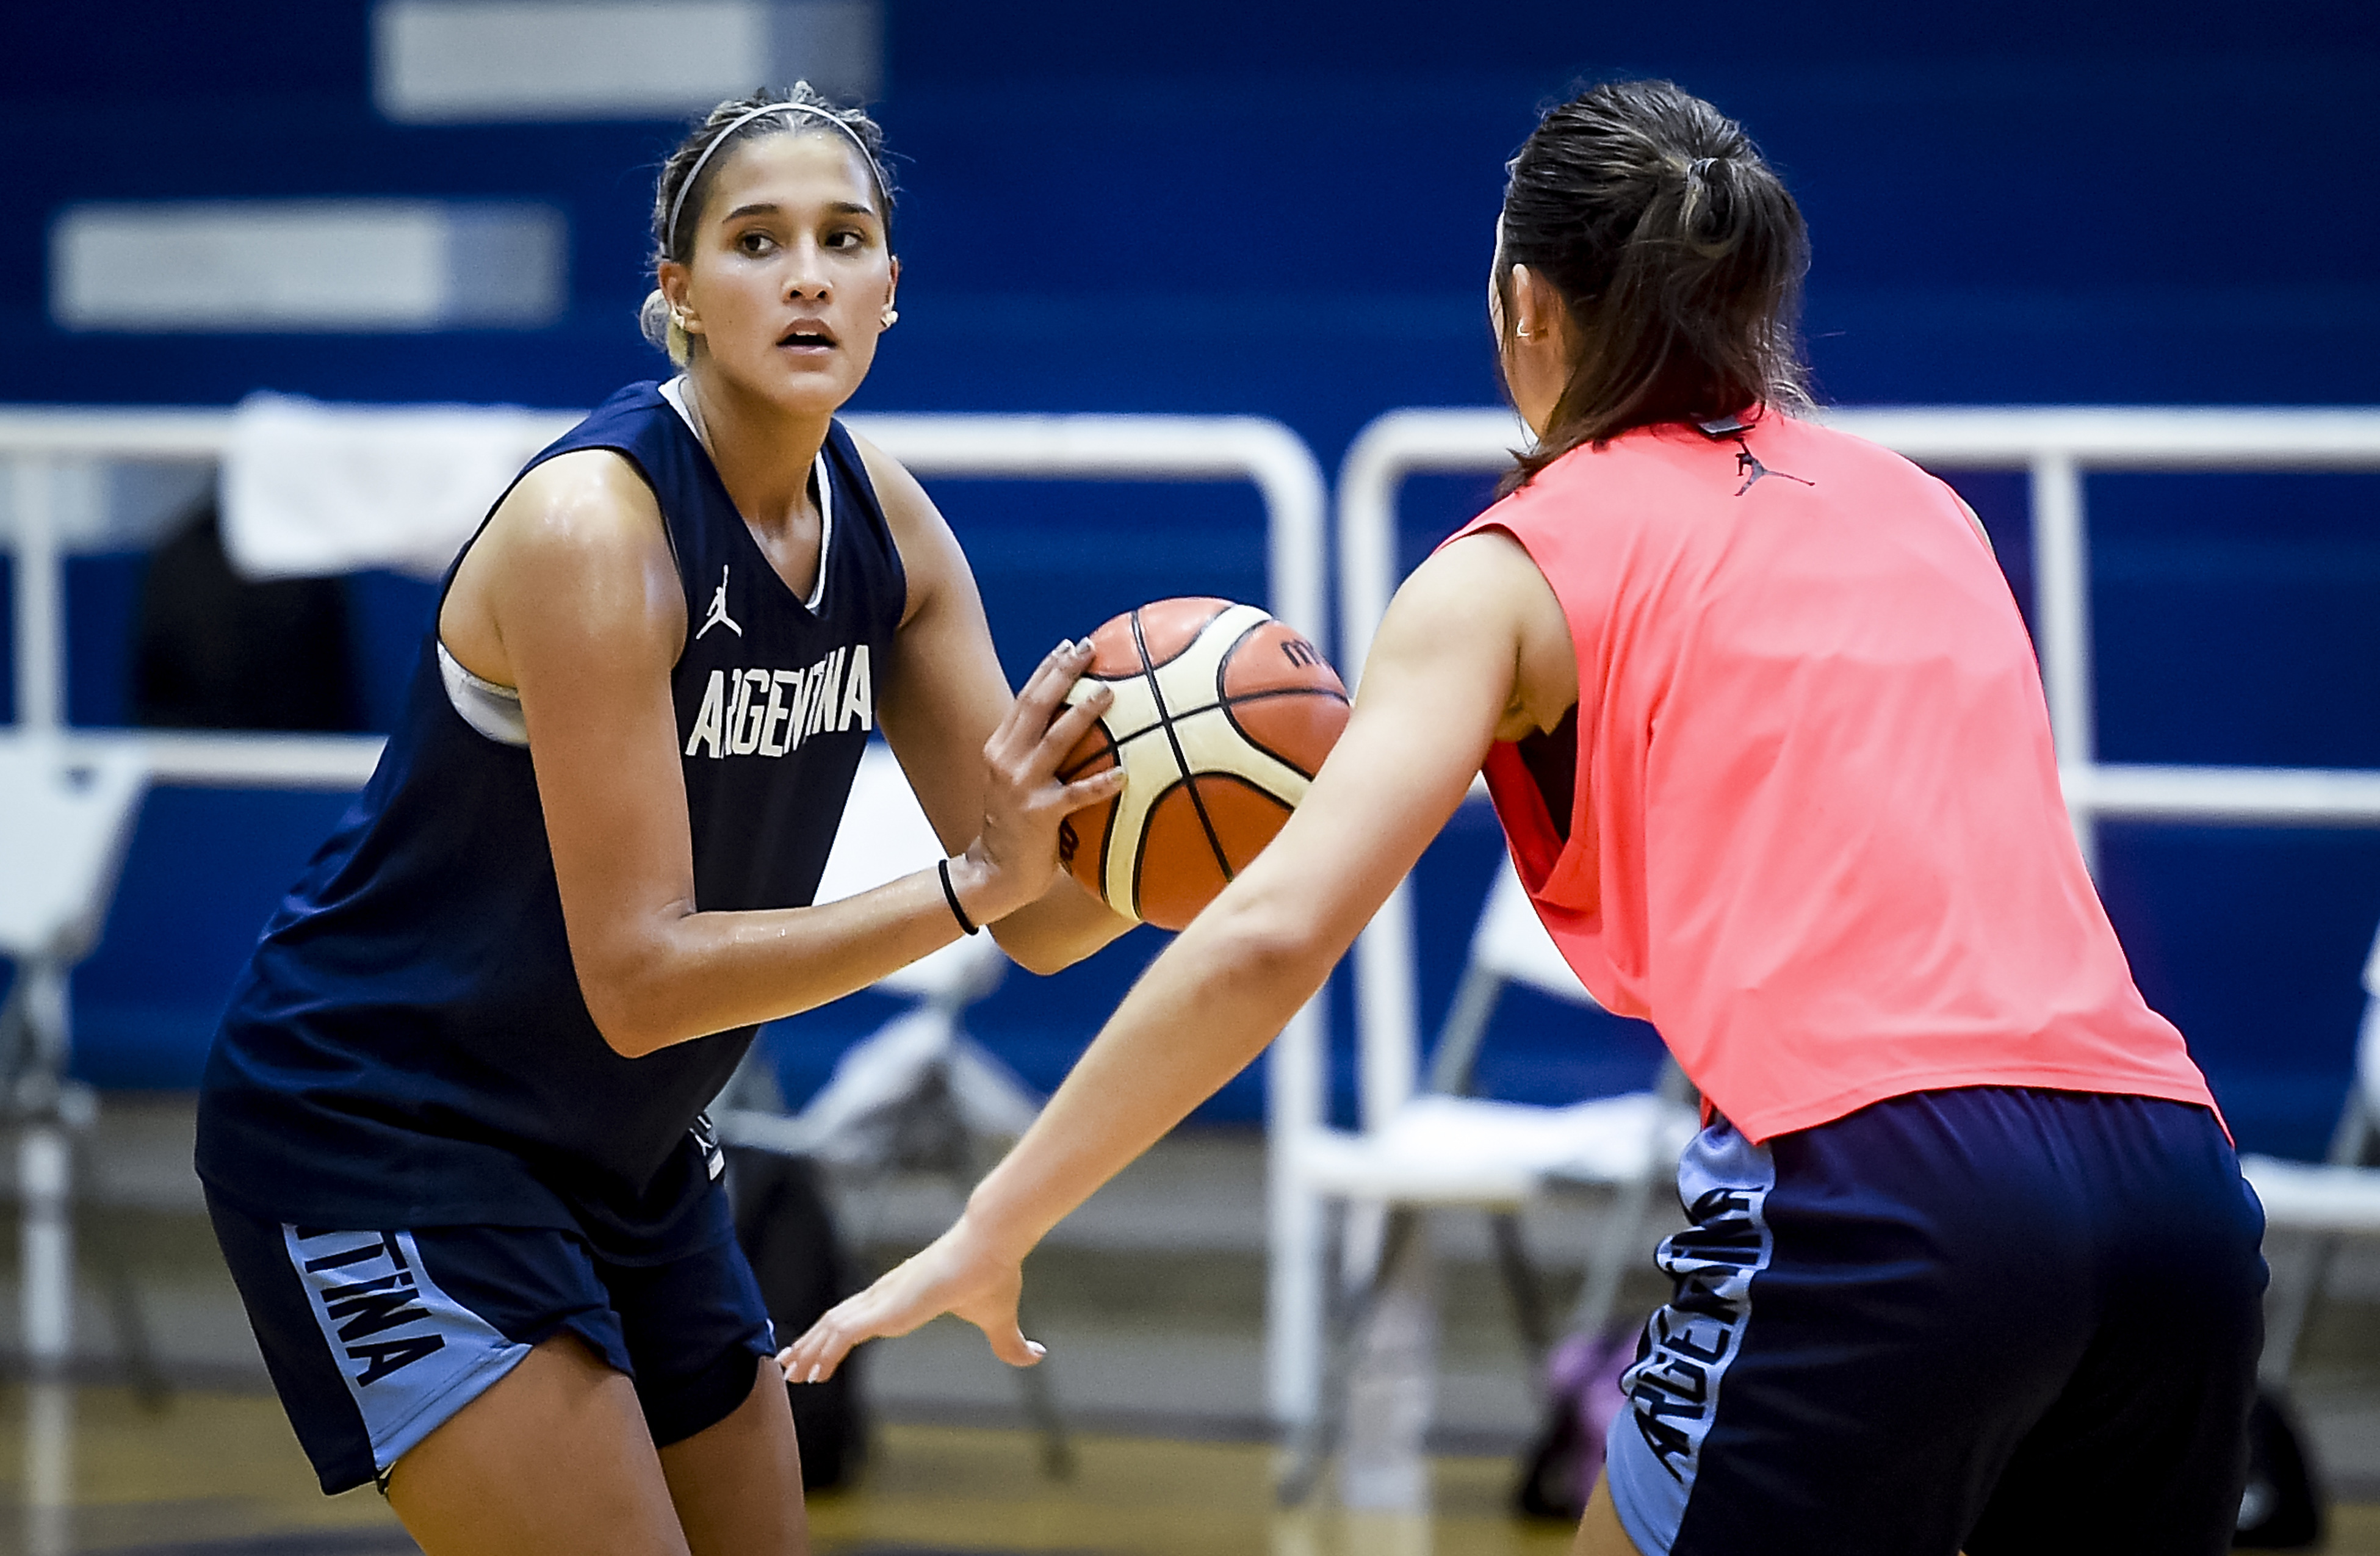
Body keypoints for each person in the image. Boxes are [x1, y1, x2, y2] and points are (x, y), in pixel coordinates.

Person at [781, 80, 2267, 1556]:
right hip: (2177, 1193)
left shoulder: (1503, 575)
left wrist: (998, 1222)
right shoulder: (1928, 511)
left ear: (1523, 306)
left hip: (1885, 1188)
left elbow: (1275, 932)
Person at [193, 85, 1130, 1556]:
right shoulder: (599, 526)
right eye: (759, 242)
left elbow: (1056, 923)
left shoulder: (891, 528)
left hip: (624, 1148)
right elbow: (639, 983)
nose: (808, 273)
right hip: (384, 1127)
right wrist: (963, 887)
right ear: (678, 298)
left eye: (845, 239)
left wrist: (1212, 827)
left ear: (892, 291)